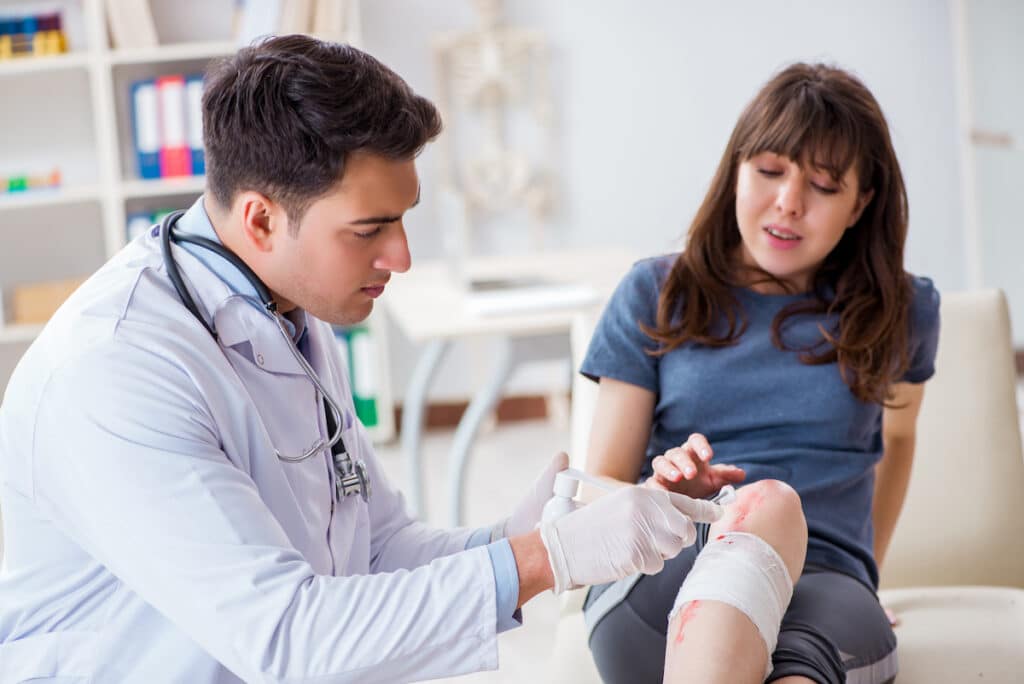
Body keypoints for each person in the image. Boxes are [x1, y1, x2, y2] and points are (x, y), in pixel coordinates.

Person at [0, 36, 720, 683]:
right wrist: (545, 561)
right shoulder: (115, 370)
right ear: (260, 218)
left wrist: (518, 536)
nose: (401, 256)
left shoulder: (283, 312)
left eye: (402, 218)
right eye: (370, 229)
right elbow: (290, 638)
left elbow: (376, 547)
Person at [579, 62, 940, 684]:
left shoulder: (902, 311)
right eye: (769, 172)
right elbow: (600, 487)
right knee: (765, 504)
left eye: (824, 187)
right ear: (736, 170)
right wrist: (662, 498)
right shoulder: (655, 292)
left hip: (823, 581)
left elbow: (899, 442)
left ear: (861, 204)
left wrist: (864, 571)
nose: (788, 203)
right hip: (667, 569)